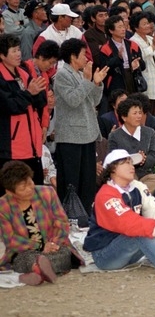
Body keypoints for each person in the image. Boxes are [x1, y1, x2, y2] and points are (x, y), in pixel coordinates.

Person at [0, 161, 80, 284]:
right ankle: (38, 268)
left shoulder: (47, 193)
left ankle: (36, 272)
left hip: (53, 245)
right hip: (25, 250)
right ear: (10, 192)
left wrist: (54, 243)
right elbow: (10, 239)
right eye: (23, 188)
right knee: (24, 258)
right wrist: (40, 246)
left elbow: (62, 222)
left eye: (30, 182)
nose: (29, 188)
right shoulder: (3, 205)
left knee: (65, 254)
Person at [54, 39, 108, 213]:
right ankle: (70, 216)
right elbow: (73, 100)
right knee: (71, 181)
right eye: (84, 54)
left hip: (87, 134)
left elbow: (94, 101)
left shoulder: (78, 74)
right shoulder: (62, 75)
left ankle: (85, 215)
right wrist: (87, 81)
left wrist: (96, 83)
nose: (87, 58)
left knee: (87, 180)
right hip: (71, 137)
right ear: (72, 56)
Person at [0, 34, 47, 194]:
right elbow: (10, 105)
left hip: (32, 145)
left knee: (34, 191)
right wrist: (29, 93)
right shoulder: (1, 77)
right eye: (13, 51)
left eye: (19, 49)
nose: (19, 54)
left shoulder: (24, 72)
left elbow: (40, 100)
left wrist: (37, 94)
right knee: (14, 193)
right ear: (2, 55)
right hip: (10, 148)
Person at [107, 97, 155, 181]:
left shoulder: (150, 132)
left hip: (147, 175)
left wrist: (144, 160)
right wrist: (132, 160)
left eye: (140, 113)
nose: (139, 116)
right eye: (135, 113)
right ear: (124, 117)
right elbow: (112, 160)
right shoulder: (114, 136)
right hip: (125, 175)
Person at [99, 15, 145, 97]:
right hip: (116, 83)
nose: (123, 29)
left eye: (123, 26)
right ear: (111, 30)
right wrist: (118, 58)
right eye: (119, 27)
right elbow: (105, 68)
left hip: (133, 80)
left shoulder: (132, 45)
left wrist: (138, 64)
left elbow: (143, 66)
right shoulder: (105, 48)